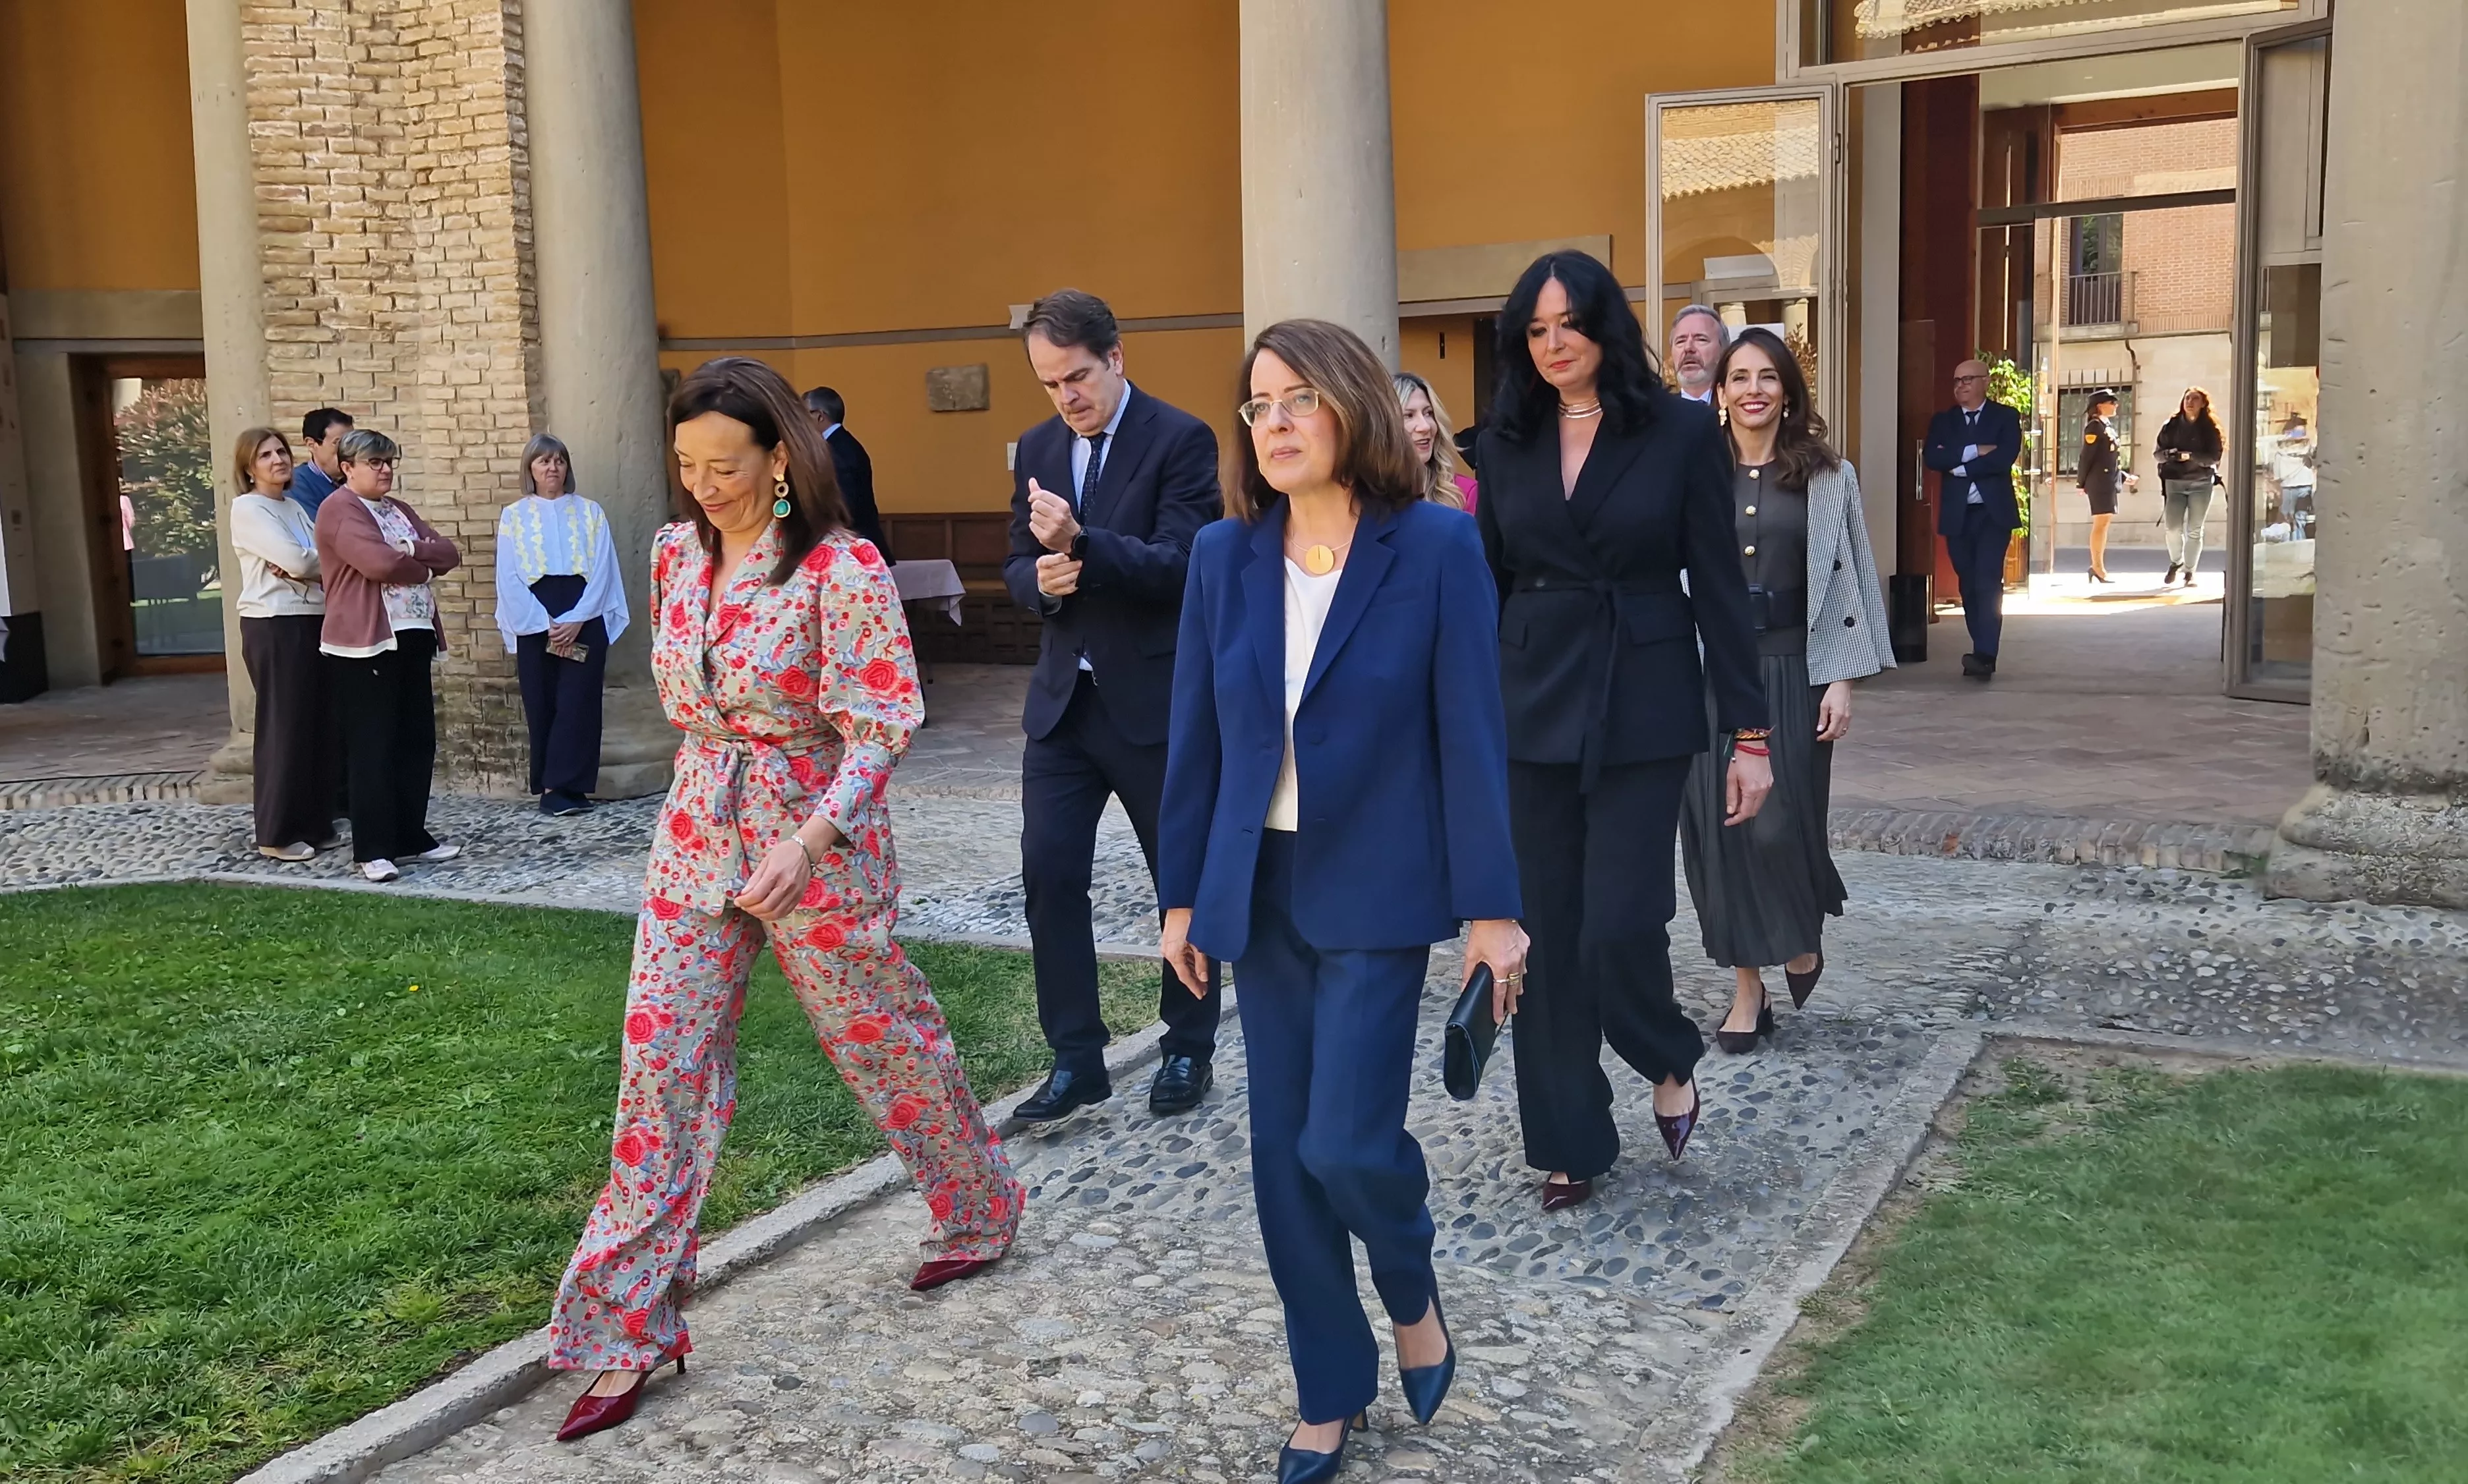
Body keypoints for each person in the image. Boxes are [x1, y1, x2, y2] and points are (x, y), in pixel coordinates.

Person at [550, 357, 1020, 1442]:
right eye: (687, 465)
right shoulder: (672, 556)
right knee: (658, 1065)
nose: (704, 484)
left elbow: (884, 722)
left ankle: (976, 1203)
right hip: (695, 832)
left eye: (725, 464)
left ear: (777, 459)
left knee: (881, 1039)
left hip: (817, 837)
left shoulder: (838, 568)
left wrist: (809, 841)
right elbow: (692, 703)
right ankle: (628, 1320)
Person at [1159, 318, 1527, 1482]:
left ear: (1351, 409)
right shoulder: (1223, 559)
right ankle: (1328, 1387)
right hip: (1257, 891)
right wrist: (1181, 897)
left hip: (1374, 886)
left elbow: (1469, 734)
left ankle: (1409, 1287)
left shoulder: (1431, 548)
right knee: (1280, 1159)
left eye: (1294, 400)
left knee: (1345, 1141)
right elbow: (1195, 743)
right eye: (1255, 405)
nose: (1269, 423)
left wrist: (1492, 907)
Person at [1476, 250, 1769, 1213]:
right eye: (1536, 329)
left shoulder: (1682, 432)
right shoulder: (1504, 439)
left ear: (1606, 326)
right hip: (1530, 697)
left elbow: (1721, 588)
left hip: (1642, 695)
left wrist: (1752, 737)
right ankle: (1569, 1137)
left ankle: (1662, 1050)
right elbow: (1484, 582)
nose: (1554, 344)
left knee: (1619, 919)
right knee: (1543, 931)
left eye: (1570, 323)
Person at [1002, 288, 1224, 1120]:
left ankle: (1188, 1044)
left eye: (1078, 375)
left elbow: (1184, 563)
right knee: (1050, 873)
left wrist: (1083, 549)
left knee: (1181, 879)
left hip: (1154, 699)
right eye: (1051, 382)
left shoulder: (1181, 438)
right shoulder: (1036, 446)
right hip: (1064, 704)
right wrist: (1044, 581)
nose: (1067, 396)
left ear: (1116, 357)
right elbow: (1017, 564)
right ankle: (1076, 1056)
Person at [1680, 329, 1894, 1052]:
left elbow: (1855, 580)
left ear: (1788, 391)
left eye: (1767, 377)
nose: (1752, 390)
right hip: (1708, 673)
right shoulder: (1691, 470)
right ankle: (1747, 988)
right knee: (1721, 831)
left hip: (1794, 671)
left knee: (1782, 824)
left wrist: (1843, 678)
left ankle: (1799, 935)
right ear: (1719, 390)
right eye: (1738, 377)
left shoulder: (1830, 474)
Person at [314, 429, 461, 883]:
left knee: (415, 741)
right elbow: (376, 564)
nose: (385, 470)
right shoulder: (339, 509)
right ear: (348, 467)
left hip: (413, 637)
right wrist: (420, 568)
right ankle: (374, 848)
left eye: (389, 462)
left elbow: (449, 553)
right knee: (373, 746)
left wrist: (412, 550)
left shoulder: (399, 511)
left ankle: (410, 836)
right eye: (375, 462)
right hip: (365, 643)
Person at [495, 434, 630, 816]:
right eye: (543, 461)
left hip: (583, 608)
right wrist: (543, 621)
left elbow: (603, 568)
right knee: (543, 699)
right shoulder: (515, 516)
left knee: (579, 701)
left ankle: (572, 786)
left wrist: (579, 617)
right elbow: (508, 574)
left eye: (558, 461)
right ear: (530, 469)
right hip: (535, 612)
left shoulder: (590, 512)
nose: (552, 468)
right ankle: (551, 786)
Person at [227, 426, 339, 862]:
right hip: (274, 625)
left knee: (317, 727)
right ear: (249, 467)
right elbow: (300, 559)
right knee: (284, 729)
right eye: (265, 455)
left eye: (281, 452)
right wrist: (310, 564)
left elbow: (323, 557)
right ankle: (275, 832)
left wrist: (312, 565)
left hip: (313, 621)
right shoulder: (249, 509)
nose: (277, 460)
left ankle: (314, 822)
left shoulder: (293, 507)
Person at [1922, 360, 2022, 679]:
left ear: (1985, 382)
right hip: (1958, 516)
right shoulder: (1944, 421)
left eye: (1967, 379)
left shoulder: (2005, 417)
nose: (1960, 386)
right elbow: (1935, 458)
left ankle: (1985, 654)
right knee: (1968, 582)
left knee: (1987, 580)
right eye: (1956, 381)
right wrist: (1975, 450)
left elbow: (2004, 457)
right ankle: (1980, 645)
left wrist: (1960, 465)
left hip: (1993, 515)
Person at [803, 385, 889, 553]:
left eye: (805, 416)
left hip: (854, 548)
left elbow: (844, 505)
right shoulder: (843, 444)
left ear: (820, 416)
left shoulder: (837, 451)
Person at [2155, 385, 2224, 587]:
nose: (2190, 402)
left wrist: (2192, 456)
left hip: (2201, 482)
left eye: (2195, 399)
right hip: (2175, 482)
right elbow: (2158, 454)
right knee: (2172, 528)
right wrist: (2171, 455)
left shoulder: (2210, 428)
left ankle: (2190, 572)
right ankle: (2176, 562)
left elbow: (2215, 456)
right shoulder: (2171, 426)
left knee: (2195, 529)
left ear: (2203, 404)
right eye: (2187, 398)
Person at [1392, 371, 1477, 511]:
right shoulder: (1364, 497)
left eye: (1428, 413)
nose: (1425, 426)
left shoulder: (1465, 494)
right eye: (1409, 415)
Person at [2076, 389, 2129, 584]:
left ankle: (2098, 566)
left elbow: (2110, 459)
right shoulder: (2094, 427)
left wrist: (2123, 477)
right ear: (2100, 406)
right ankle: (2097, 567)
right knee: (2100, 525)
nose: (2116, 405)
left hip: (2108, 482)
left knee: (2104, 524)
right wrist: (2080, 482)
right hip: (2099, 482)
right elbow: (2087, 457)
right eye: (2111, 402)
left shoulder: (2107, 426)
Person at [289, 407, 355, 515]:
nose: (349, 450)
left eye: (352, 442)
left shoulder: (355, 477)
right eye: (339, 443)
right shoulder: (297, 483)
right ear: (312, 444)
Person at [1667, 304, 1728, 404]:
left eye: (1701, 339)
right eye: (1680, 341)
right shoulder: (1659, 412)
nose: (1688, 348)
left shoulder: (1736, 409)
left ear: (1724, 350)